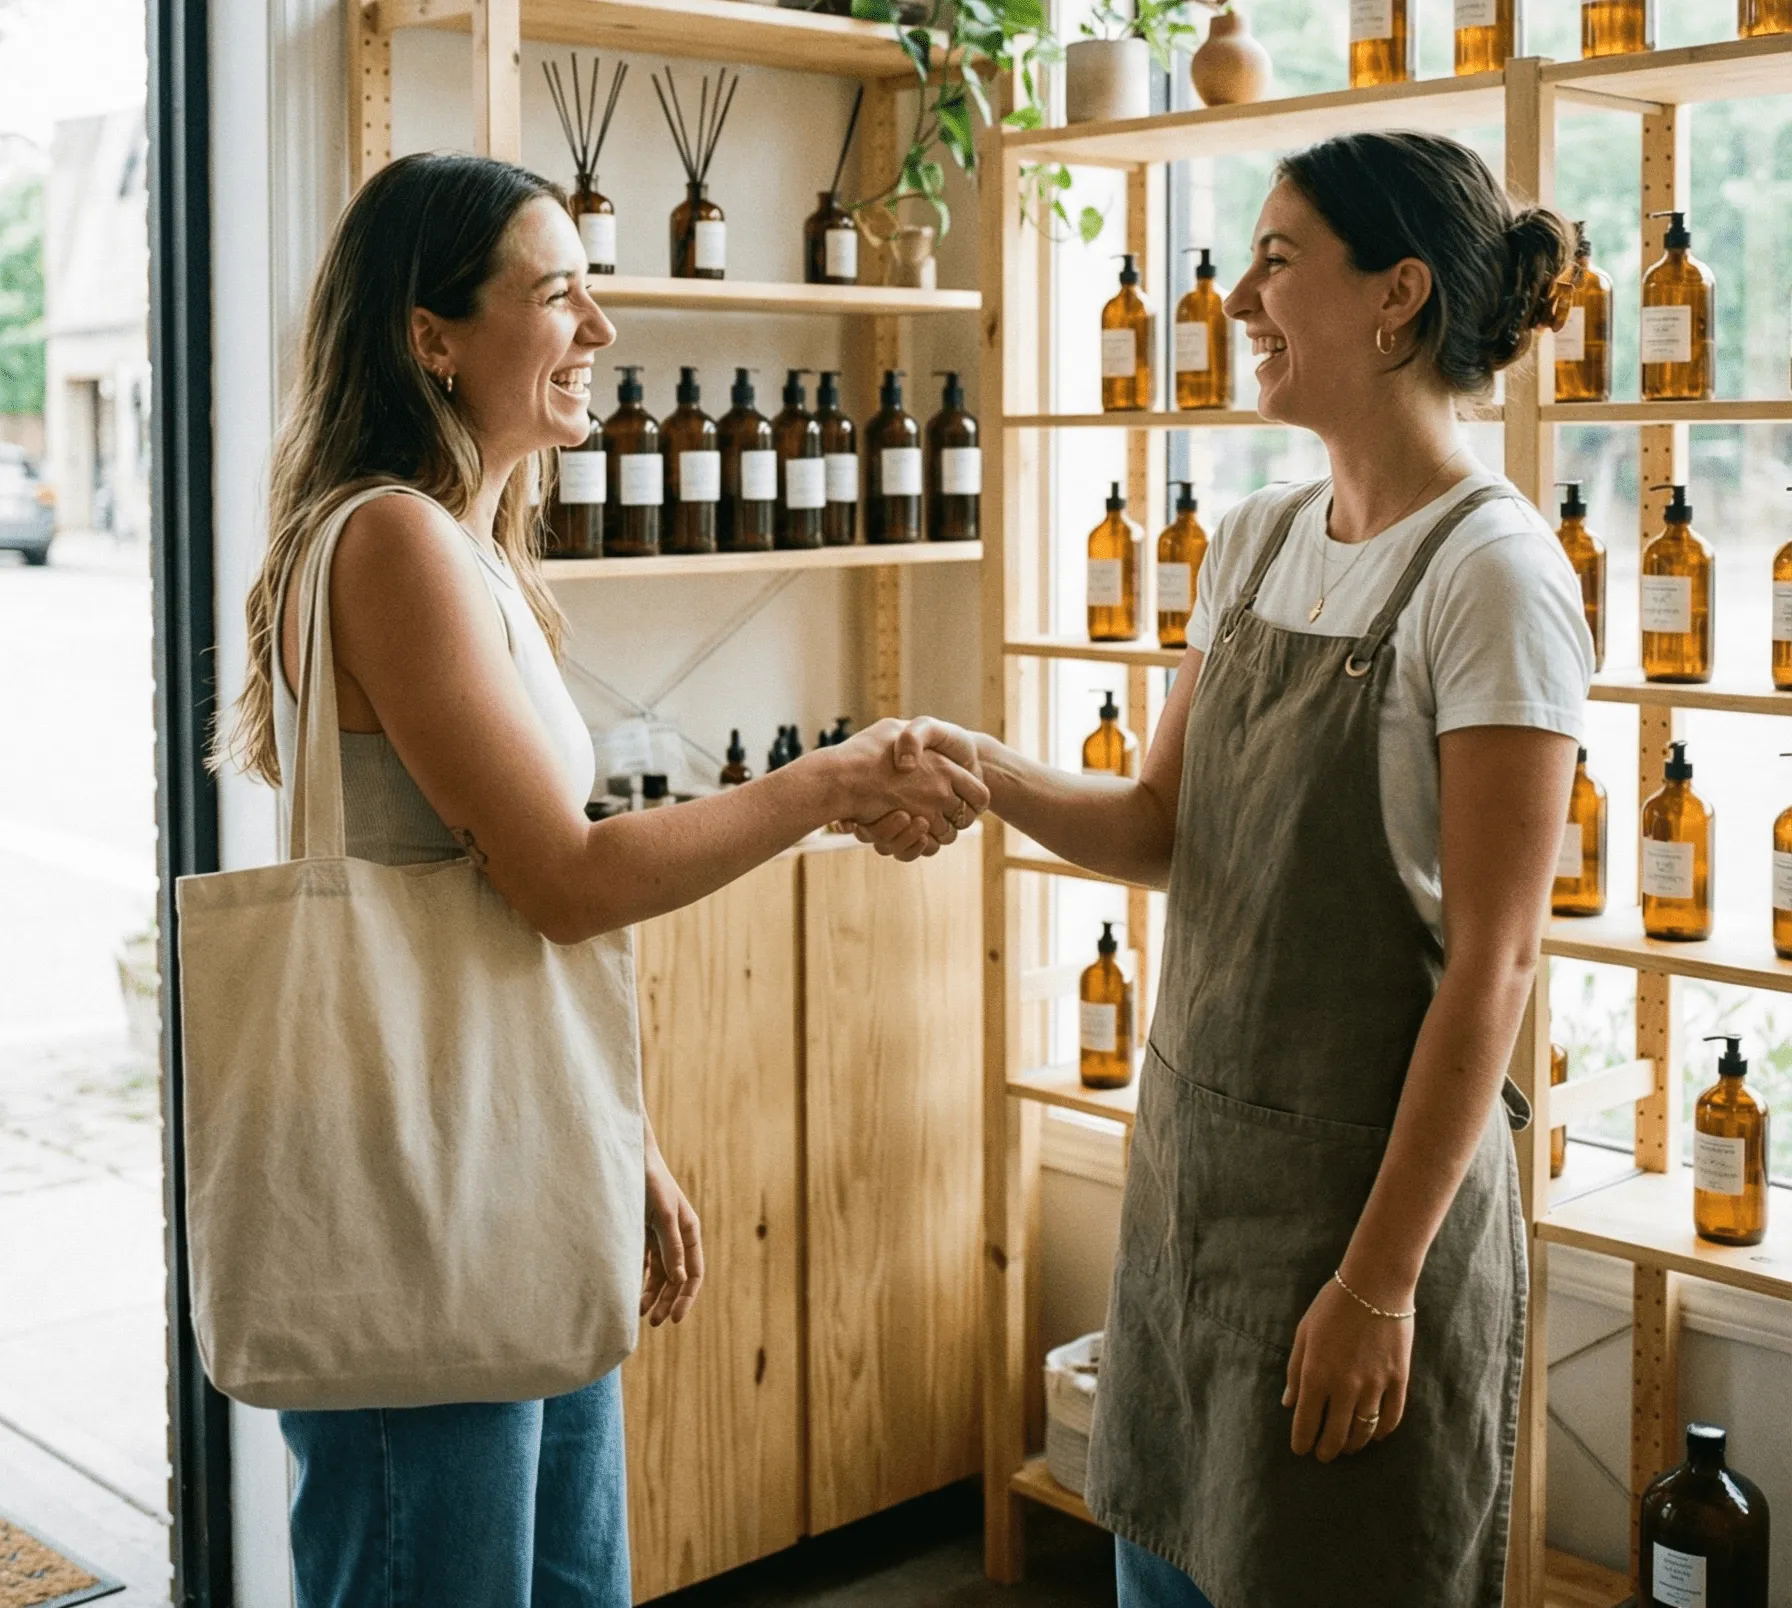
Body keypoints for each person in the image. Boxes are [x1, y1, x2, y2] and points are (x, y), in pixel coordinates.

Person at [213, 151, 986, 1608]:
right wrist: (831, 776)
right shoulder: (391, 543)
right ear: (428, 336)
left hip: (504, 1159)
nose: (601, 330)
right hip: (419, 1187)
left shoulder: (470, 551)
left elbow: (500, 899)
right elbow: (566, 880)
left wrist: (612, 1138)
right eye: (556, 291)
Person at [871, 131, 1593, 1606]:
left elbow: (1496, 968)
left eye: (1278, 260)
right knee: (1163, 1572)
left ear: (1396, 298)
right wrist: (974, 759)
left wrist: (1379, 1282)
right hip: (1197, 1201)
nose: (1240, 300)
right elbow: (1156, 825)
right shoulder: (1255, 542)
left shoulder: (1495, 576)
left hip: (1361, 1217)